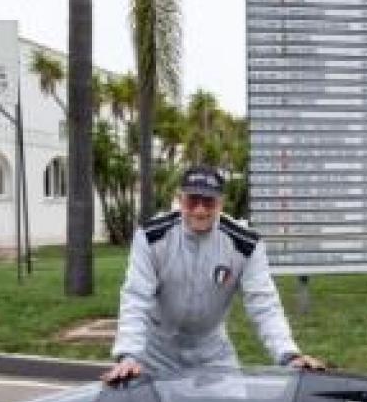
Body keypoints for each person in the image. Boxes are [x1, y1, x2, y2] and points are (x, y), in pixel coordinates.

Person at [102, 164, 324, 384]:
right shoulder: (151, 236)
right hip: (155, 351)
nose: (200, 210)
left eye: (208, 201)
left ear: (221, 203)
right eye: (192, 200)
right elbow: (136, 297)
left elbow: (264, 304)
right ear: (180, 200)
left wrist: (288, 355)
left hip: (212, 352)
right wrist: (129, 355)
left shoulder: (245, 244)